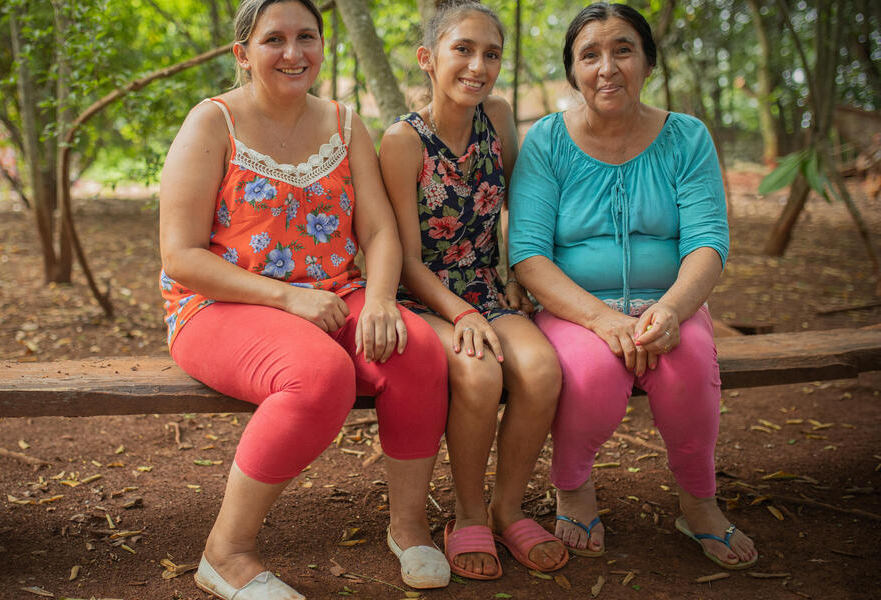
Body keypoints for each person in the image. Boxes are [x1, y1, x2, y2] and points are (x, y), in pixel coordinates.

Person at [158, 1, 452, 597]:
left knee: (415, 348)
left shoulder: (344, 123)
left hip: (336, 294)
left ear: (322, 45)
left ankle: (409, 526)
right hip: (219, 305)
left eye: (306, 37)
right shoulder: (212, 123)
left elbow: (377, 232)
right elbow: (181, 256)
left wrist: (381, 301)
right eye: (274, 40)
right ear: (243, 54)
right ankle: (226, 553)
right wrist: (288, 300)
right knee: (320, 375)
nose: (293, 53)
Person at [508, 2, 758, 570]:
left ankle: (698, 502)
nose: (607, 67)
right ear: (573, 71)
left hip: (670, 303)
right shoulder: (547, 141)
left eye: (623, 49)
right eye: (589, 55)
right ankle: (572, 487)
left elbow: (707, 242)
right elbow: (527, 254)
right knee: (592, 374)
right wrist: (602, 320)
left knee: (689, 364)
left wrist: (670, 311)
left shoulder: (686, 137)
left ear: (647, 60)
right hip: (575, 310)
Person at [379, 0, 567, 580]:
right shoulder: (403, 141)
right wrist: (460, 314)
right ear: (427, 59)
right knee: (481, 371)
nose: (477, 66)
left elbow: (521, 206)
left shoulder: (500, 117)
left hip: (487, 285)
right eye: (462, 49)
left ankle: (507, 509)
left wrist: (516, 272)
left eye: (491, 54)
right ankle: (465, 514)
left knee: (541, 370)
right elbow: (405, 260)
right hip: (424, 295)